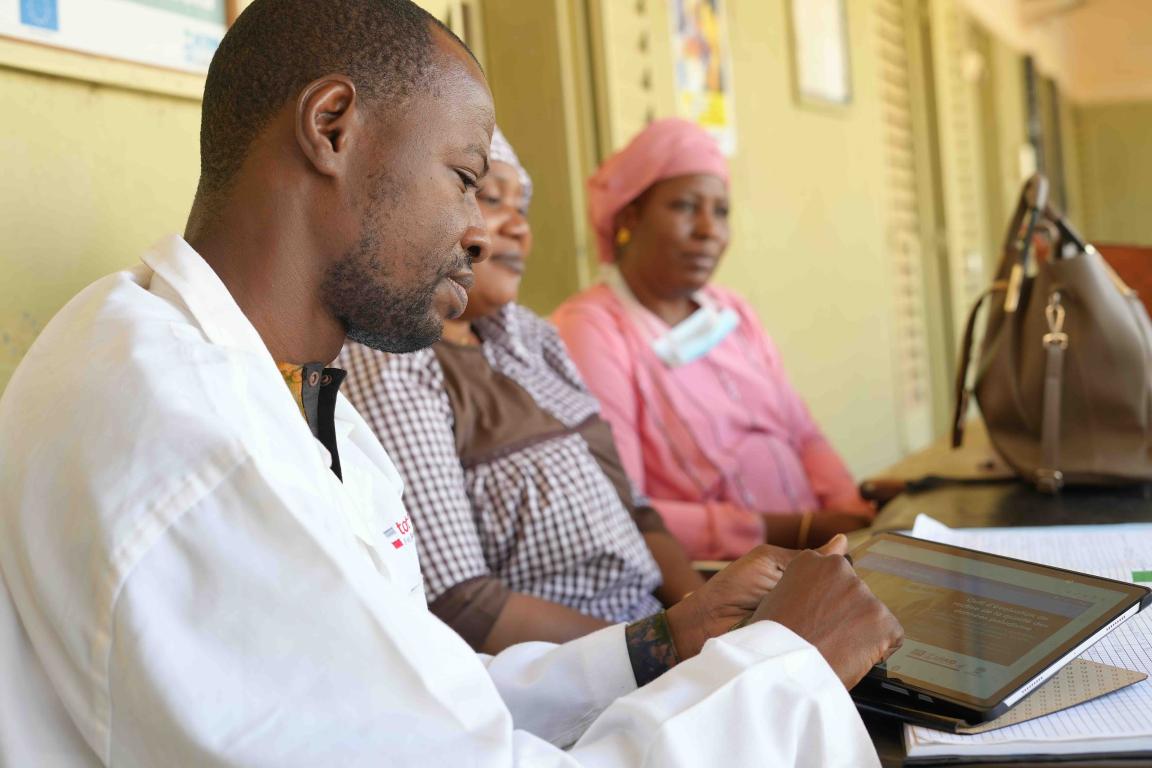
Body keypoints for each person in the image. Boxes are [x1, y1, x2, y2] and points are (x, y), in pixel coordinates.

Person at [0, 2, 902, 765]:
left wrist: (666, 641)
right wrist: (791, 665)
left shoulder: (272, 384)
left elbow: (421, 697)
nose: (478, 231)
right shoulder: (189, 438)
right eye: (466, 178)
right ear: (332, 127)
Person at [340, 127, 705, 653]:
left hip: (655, 637)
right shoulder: (395, 359)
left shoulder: (534, 339)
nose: (516, 230)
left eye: (523, 209)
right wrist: (674, 646)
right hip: (570, 681)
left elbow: (638, 511)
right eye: (489, 197)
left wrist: (711, 629)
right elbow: (461, 605)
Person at [553, 118, 874, 562]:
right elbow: (619, 504)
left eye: (721, 211)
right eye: (686, 206)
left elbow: (802, 432)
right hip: (715, 578)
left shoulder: (733, 312)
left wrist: (850, 514)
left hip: (815, 554)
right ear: (629, 216)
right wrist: (792, 531)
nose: (708, 229)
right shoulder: (591, 330)